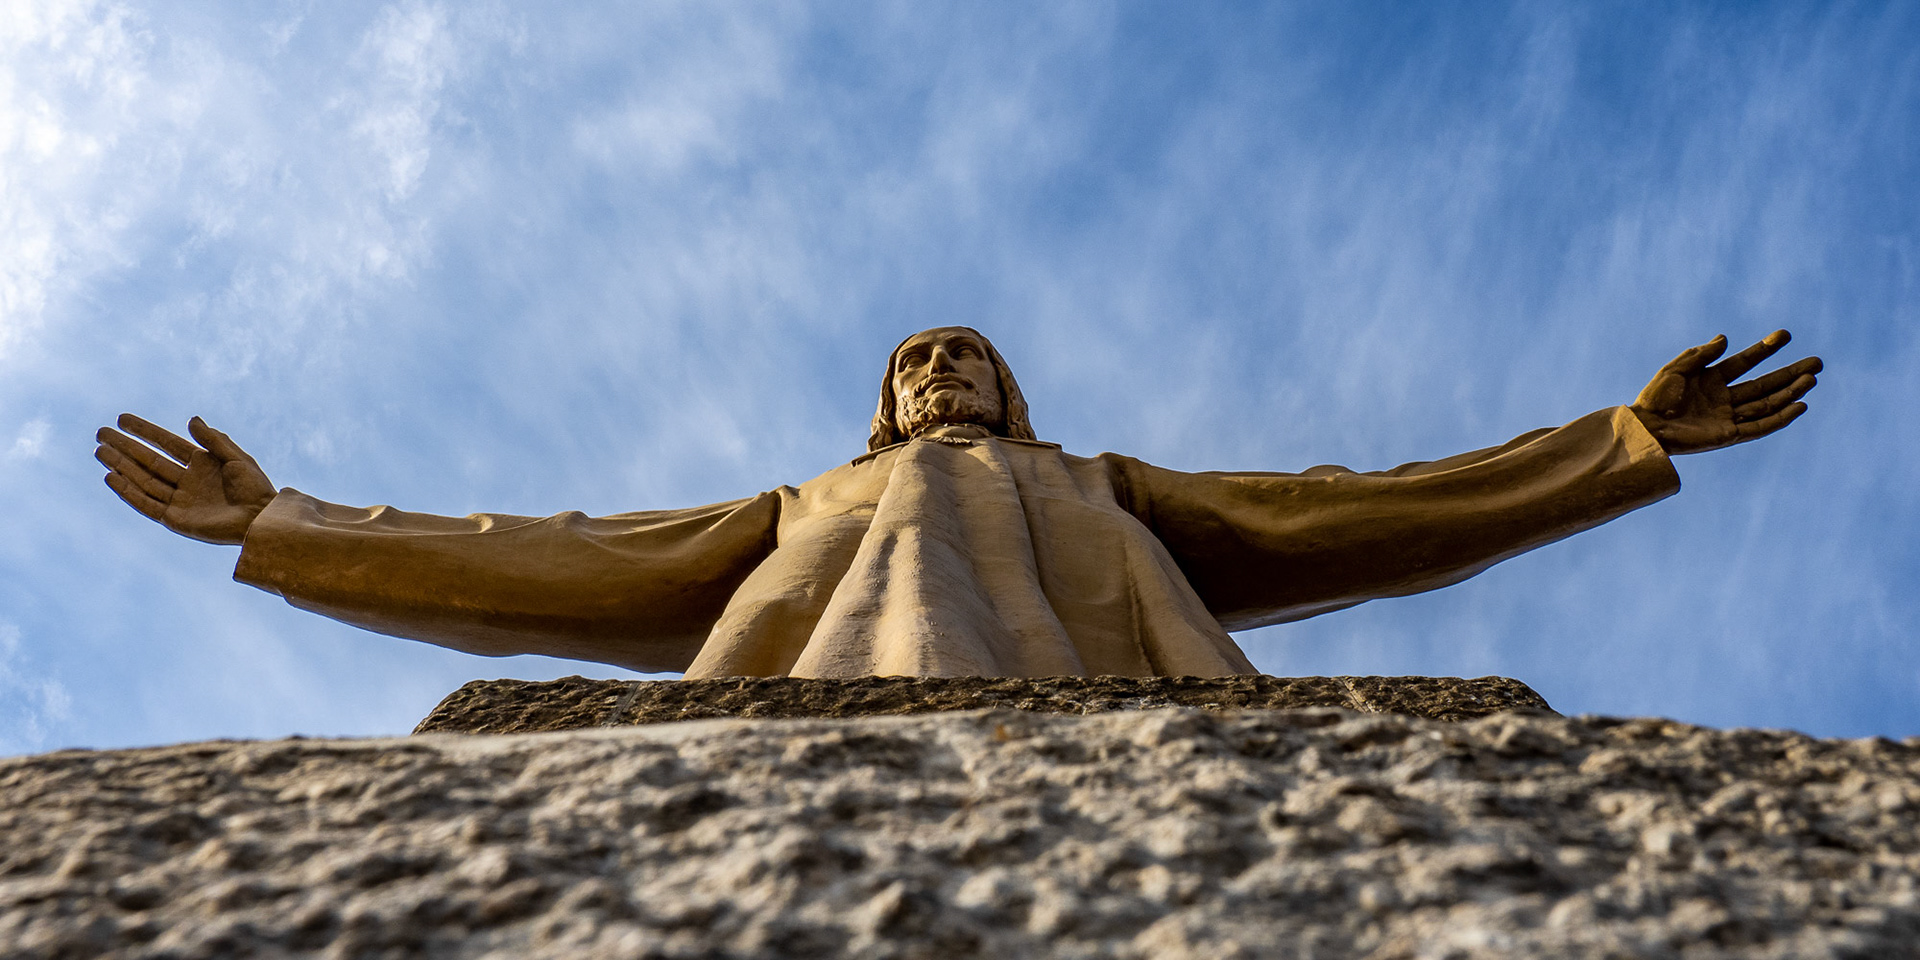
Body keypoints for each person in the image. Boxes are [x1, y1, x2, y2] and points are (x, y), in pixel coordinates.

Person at [95, 327, 1819, 678]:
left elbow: (1344, 513)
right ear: (885, 401)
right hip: (804, 709)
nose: (945, 380)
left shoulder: (1095, 482)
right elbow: (565, 560)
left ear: (1013, 394)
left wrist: (1614, 440)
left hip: (1138, 715)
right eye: (920, 367)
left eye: (973, 362)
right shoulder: (808, 500)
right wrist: (286, 523)